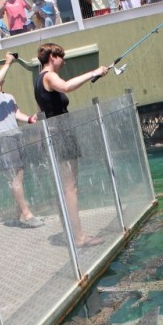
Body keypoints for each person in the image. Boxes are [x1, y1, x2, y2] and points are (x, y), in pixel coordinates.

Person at [34, 43, 109, 247]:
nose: (64, 62)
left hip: (54, 135)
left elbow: (41, 110)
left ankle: (72, 233)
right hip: (61, 136)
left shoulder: (38, 80)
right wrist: (94, 72)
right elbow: (66, 87)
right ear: (52, 57)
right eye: (61, 57)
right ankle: (79, 237)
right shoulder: (49, 76)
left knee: (64, 188)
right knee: (70, 189)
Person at [0, 53, 44, 229]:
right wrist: (7, 63)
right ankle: (27, 214)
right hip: (4, 138)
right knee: (15, 179)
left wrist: (31, 119)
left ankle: (17, 214)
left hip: (16, 135)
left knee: (19, 177)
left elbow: (16, 113)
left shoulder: (9, 96)